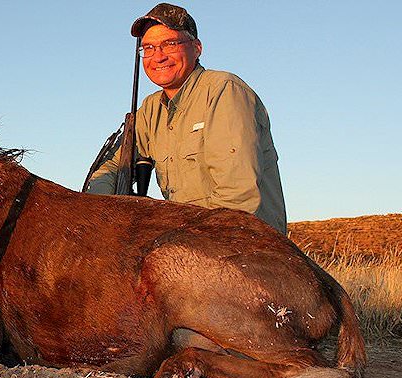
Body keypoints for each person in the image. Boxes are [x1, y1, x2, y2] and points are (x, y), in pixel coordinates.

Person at [87, 2, 287, 235]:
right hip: (185, 238)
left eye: (169, 44)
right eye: (148, 48)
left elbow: (237, 201)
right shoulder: (151, 108)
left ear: (197, 47)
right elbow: (112, 165)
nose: (158, 57)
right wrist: (100, 213)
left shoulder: (223, 90)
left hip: (242, 242)